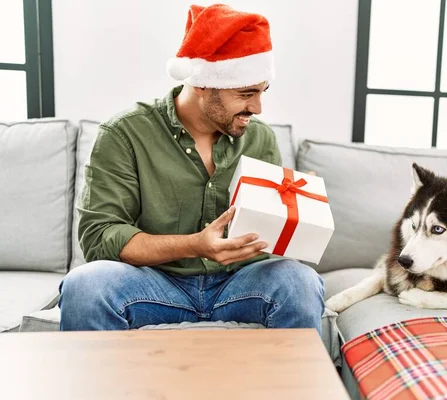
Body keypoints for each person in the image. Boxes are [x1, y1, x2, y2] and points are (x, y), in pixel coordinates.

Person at [59, 4, 324, 333]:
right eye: (246, 93)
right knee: (85, 286)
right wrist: (193, 245)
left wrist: (298, 208)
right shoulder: (125, 134)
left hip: (240, 283)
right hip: (156, 283)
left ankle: (292, 386)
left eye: (261, 92)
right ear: (202, 85)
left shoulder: (260, 138)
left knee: (300, 282)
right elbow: (99, 238)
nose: (256, 107)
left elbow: (267, 234)